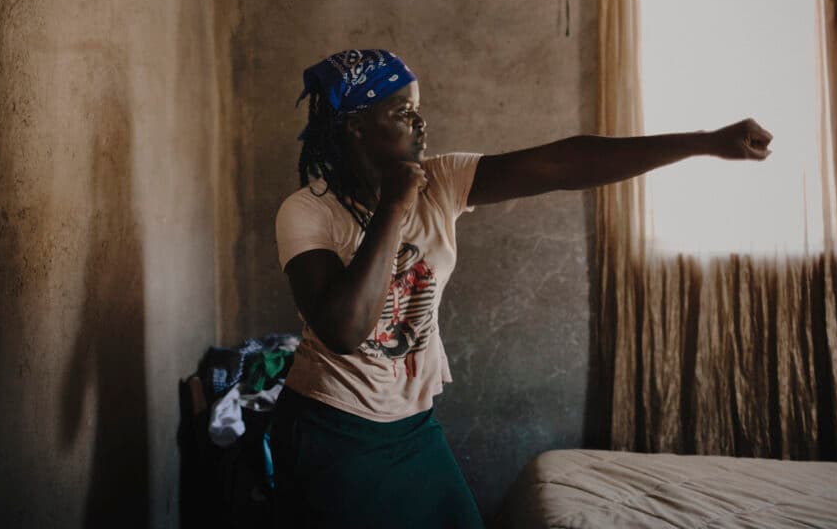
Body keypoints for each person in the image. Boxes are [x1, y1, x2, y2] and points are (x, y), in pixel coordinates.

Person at [269, 49, 772, 528]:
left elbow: (563, 164)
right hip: (332, 429)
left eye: (418, 109)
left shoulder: (440, 182)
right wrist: (395, 207)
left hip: (412, 425)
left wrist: (704, 143)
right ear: (356, 126)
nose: (420, 123)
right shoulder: (309, 211)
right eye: (403, 112)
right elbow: (344, 329)